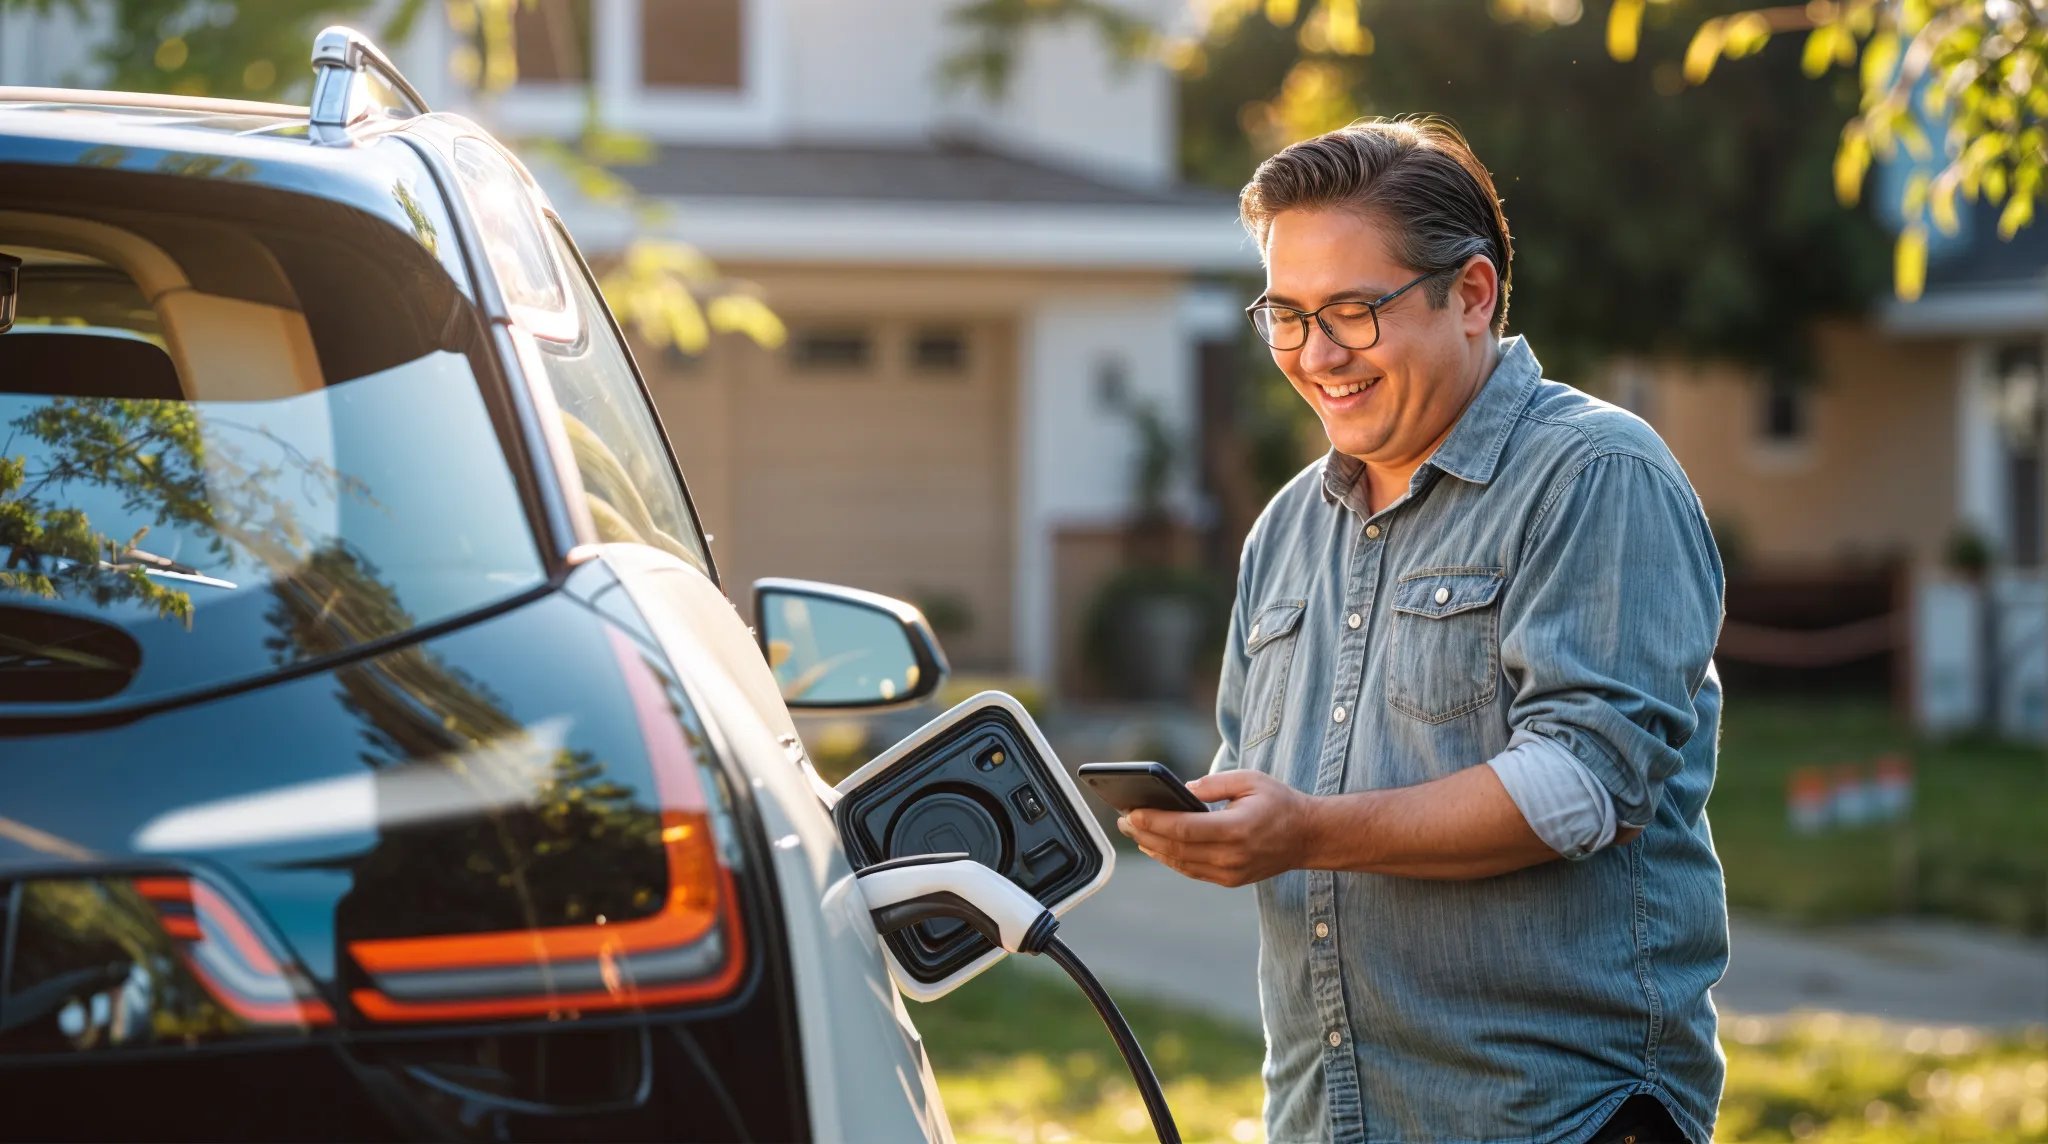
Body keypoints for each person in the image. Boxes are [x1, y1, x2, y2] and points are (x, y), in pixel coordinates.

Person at [1117, 118, 1728, 1144]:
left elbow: (1582, 787)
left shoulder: (1593, 475)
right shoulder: (1282, 530)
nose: (1315, 356)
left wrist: (1306, 829)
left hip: (1554, 1122)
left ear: (1472, 296)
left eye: (1352, 312)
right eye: (1286, 315)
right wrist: (1199, 827)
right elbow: (1262, 783)